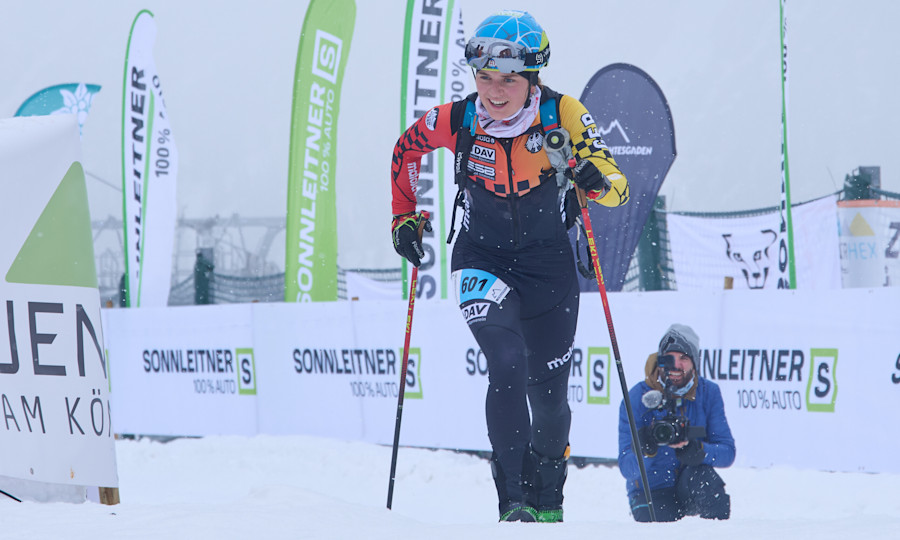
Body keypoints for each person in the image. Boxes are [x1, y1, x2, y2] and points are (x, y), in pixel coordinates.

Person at [390, 10, 629, 523]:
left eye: (508, 80)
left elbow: (618, 186)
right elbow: (405, 149)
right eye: (485, 78)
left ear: (532, 77)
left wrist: (592, 179)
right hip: (482, 257)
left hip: (549, 270)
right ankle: (513, 501)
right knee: (504, 359)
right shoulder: (458, 120)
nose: (495, 92)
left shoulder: (562, 113)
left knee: (549, 401)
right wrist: (403, 217)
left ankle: (548, 497)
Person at [618, 324, 736, 522]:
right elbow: (625, 466)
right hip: (650, 489)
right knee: (662, 526)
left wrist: (699, 451)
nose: (676, 365)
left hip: (689, 481)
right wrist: (646, 450)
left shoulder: (708, 393)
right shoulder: (637, 398)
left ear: (695, 362)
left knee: (709, 485)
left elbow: (727, 452)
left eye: (684, 358)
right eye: (670, 358)